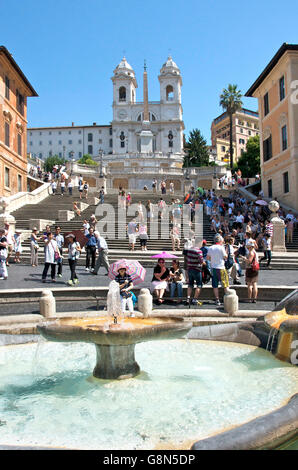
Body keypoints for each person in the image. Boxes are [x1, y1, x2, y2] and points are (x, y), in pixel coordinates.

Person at [206, 234, 229, 306]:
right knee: (225, 284)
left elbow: (208, 258)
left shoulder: (210, 247)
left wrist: (213, 259)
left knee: (215, 285)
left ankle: (217, 299)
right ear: (220, 241)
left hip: (213, 268)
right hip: (221, 267)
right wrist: (226, 252)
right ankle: (228, 298)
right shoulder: (221, 248)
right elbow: (225, 257)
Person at [183, 237, 204, 305]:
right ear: (199, 243)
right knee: (199, 285)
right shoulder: (199, 251)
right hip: (197, 269)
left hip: (189, 269)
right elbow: (201, 261)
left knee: (190, 284)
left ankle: (188, 298)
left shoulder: (189, 250)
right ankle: (194, 299)